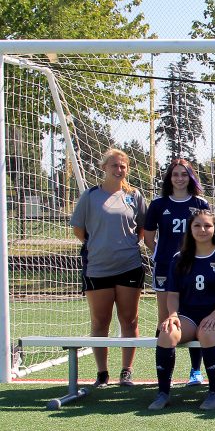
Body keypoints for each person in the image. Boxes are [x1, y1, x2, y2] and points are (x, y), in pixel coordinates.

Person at [148, 210, 215, 411]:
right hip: (188, 316)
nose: (202, 230)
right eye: (197, 225)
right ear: (190, 229)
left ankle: (214, 393)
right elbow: (172, 295)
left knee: (207, 333)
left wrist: (214, 316)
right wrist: (172, 314)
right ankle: (163, 393)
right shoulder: (179, 258)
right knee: (166, 333)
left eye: (207, 225)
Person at [70, 148, 147, 388]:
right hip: (98, 268)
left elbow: (143, 229)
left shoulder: (134, 196)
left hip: (129, 266)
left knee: (129, 320)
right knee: (100, 321)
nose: (119, 169)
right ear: (104, 168)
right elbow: (79, 230)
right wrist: (99, 245)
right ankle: (102, 373)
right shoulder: (90, 196)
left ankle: (126, 371)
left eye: (123, 166)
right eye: (114, 165)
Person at [144, 158, 210, 386]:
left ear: (191, 178)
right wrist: (164, 255)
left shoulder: (200, 203)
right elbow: (149, 238)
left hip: (195, 268)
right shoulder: (158, 204)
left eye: (184, 174)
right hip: (165, 267)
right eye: (175, 174)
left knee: (195, 316)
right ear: (169, 178)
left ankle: (195, 371)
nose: (180, 178)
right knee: (165, 320)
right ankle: (164, 375)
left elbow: (208, 234)